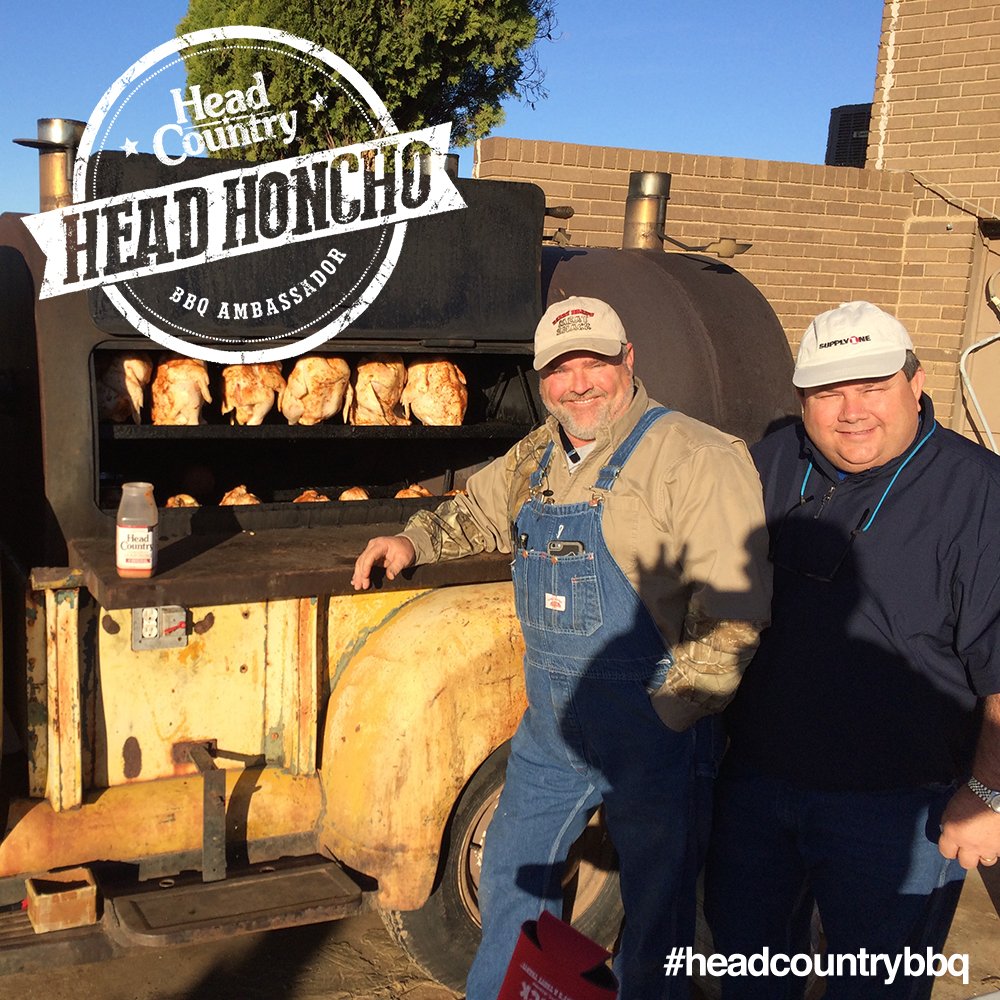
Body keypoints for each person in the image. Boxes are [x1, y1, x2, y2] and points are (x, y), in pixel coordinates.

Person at [353, 296, 772, 1000]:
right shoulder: (539, 453)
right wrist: (412, 540)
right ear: (541, 378)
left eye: (594, 363)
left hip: (656, 729)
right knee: (513, 872)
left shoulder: (695, 455)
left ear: (628, 360)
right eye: (559, 369)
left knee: (658, 907)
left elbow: (734, 608)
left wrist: (673, 711)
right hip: (553, 728)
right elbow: (477, 511)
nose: (578, 385)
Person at [705, 301, 1000, 999]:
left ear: (916, 383)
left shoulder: (978, 492)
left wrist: (988, 793)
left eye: (872, 386)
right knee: (748, 975)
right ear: (801, 399)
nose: (851, 412)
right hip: (756, 790)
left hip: (899, 809)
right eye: (829, 392)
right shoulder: (768, 462)